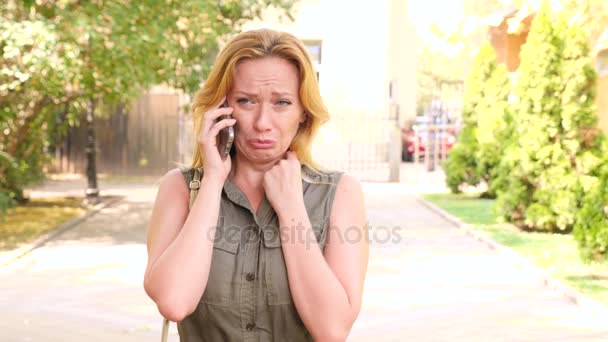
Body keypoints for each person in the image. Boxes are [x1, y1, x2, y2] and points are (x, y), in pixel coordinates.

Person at [144, 29, 369, 341]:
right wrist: (212, 182)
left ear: (303, 113)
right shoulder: (180, 189)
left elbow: (332, 329)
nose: (263, 122)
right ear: (222, 108)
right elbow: (174, 302)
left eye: (282, 103)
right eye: (246, 101)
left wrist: (291, 209)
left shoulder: (340, 193)